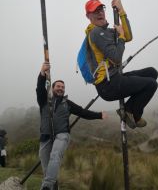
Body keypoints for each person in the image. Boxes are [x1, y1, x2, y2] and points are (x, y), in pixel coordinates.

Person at [84, 0, 158, 129]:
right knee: (151, 84)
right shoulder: (96, 33)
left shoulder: (106, 31)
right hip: (107, 85)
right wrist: (121, 37)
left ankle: (128, 109)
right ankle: (134, 114)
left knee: (152, 72)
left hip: (115, 77)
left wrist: (121, 10)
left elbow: (128, 36)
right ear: (88, 16)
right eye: (95, 11)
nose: (100, 13)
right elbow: (116, 58)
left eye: (101, 9)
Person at [36, 62, 107, 190]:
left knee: (55, 156)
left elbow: (83, 112)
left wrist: (99, 115)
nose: (60, 88)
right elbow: (39, 88)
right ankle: (51, 187)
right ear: (52, 88)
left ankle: (45, 187)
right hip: (45, 137)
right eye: (58, 86)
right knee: (48, 169)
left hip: (61, 135)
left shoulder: (67, 103)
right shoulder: (44, 100)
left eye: (63, 87)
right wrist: (42, 73)